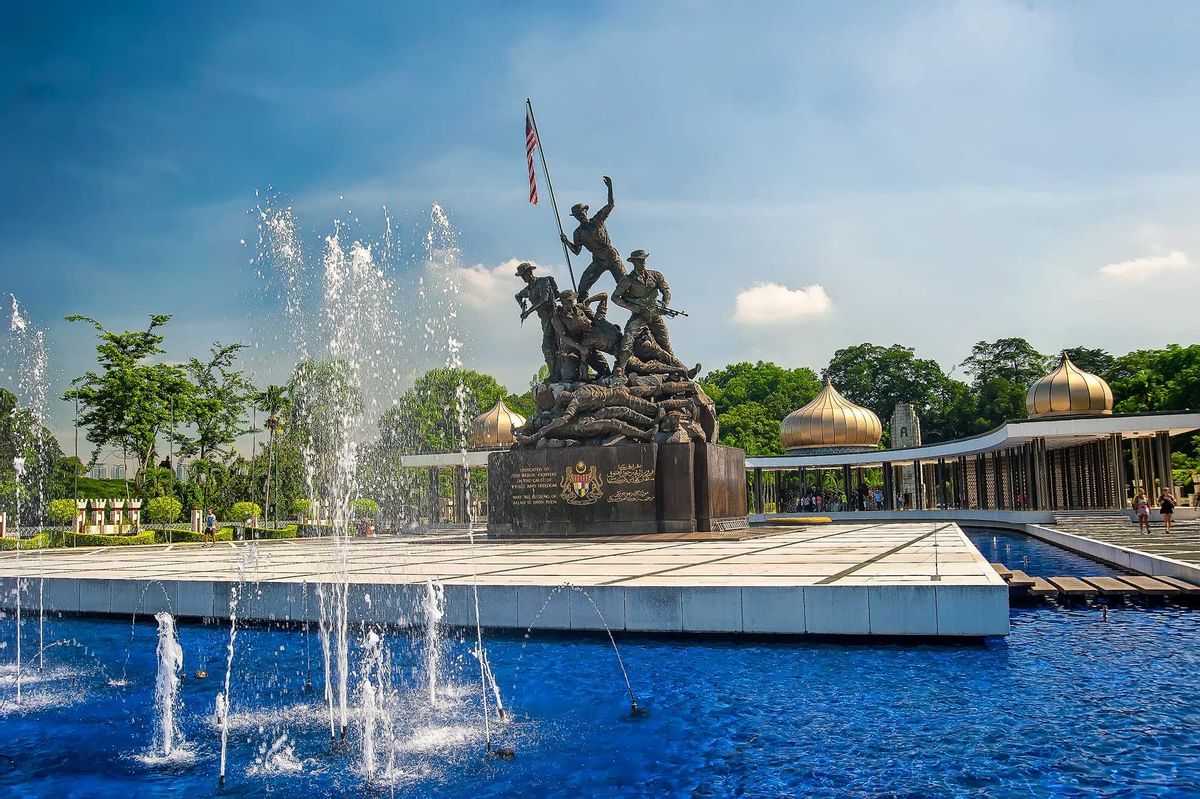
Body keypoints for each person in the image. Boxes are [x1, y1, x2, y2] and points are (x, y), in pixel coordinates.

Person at [612, 250, 677, 378]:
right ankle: (621, 369)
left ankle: (676, 369)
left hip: (654, 313)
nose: (643, 262)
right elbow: (615, 297)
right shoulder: (628, 280)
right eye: (640, 260)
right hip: (640, 315)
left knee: (664, 341)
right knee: (628, 337)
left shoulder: (655, 275)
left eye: (643, 259)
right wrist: (631, 307)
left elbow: (666, 291)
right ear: (634, 262)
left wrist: (664, 304)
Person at [560, 176, 626, 300]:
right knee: (582, 287)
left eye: (581, 213)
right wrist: (566, 241)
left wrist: (610, 188)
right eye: (577, 216)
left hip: (611, 257)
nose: (580, 216)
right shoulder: (578, 233)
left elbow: (611, 204)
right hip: (598, 260)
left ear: (586, 212)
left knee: (625, 285)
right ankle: (583, 309)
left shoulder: (597, 220)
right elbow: (576, 251)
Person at [514, 262, 561, 381]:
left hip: (553, 316)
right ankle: (556, 373)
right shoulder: (527, 289)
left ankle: (556, 375)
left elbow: (544, 299)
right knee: (552, 346)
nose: (523, 278)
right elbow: (517, 296)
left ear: (529, 273)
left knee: (548, 346)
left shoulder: (543, 281)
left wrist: (528, 311)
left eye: (523, 275)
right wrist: (522, 306)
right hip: (544, 320)